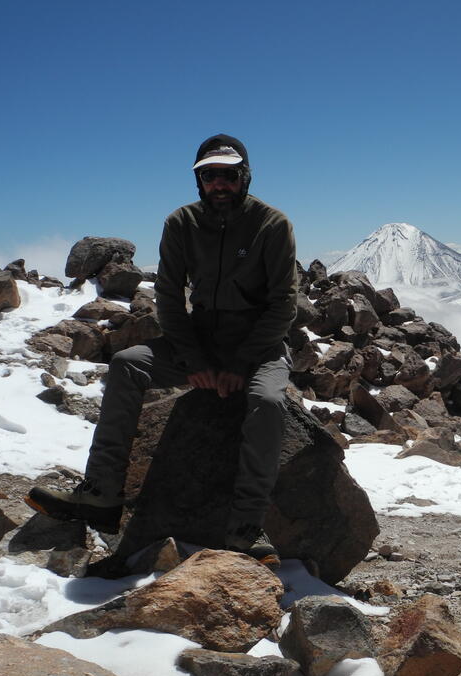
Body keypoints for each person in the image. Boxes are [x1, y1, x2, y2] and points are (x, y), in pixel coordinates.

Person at [27, 134, 297, 565]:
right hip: (201, 339)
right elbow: (169, 296)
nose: (219, 184)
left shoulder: (272, 224)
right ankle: (101, 494)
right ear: (199, 180)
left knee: (266, 400)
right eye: (209, 175)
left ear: (244, 176)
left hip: (257, 347)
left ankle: (245, 526)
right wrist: (196, 361)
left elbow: (283, 302)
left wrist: (240, 363)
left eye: (228, 175)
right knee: (127, 364)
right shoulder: (181, 223)